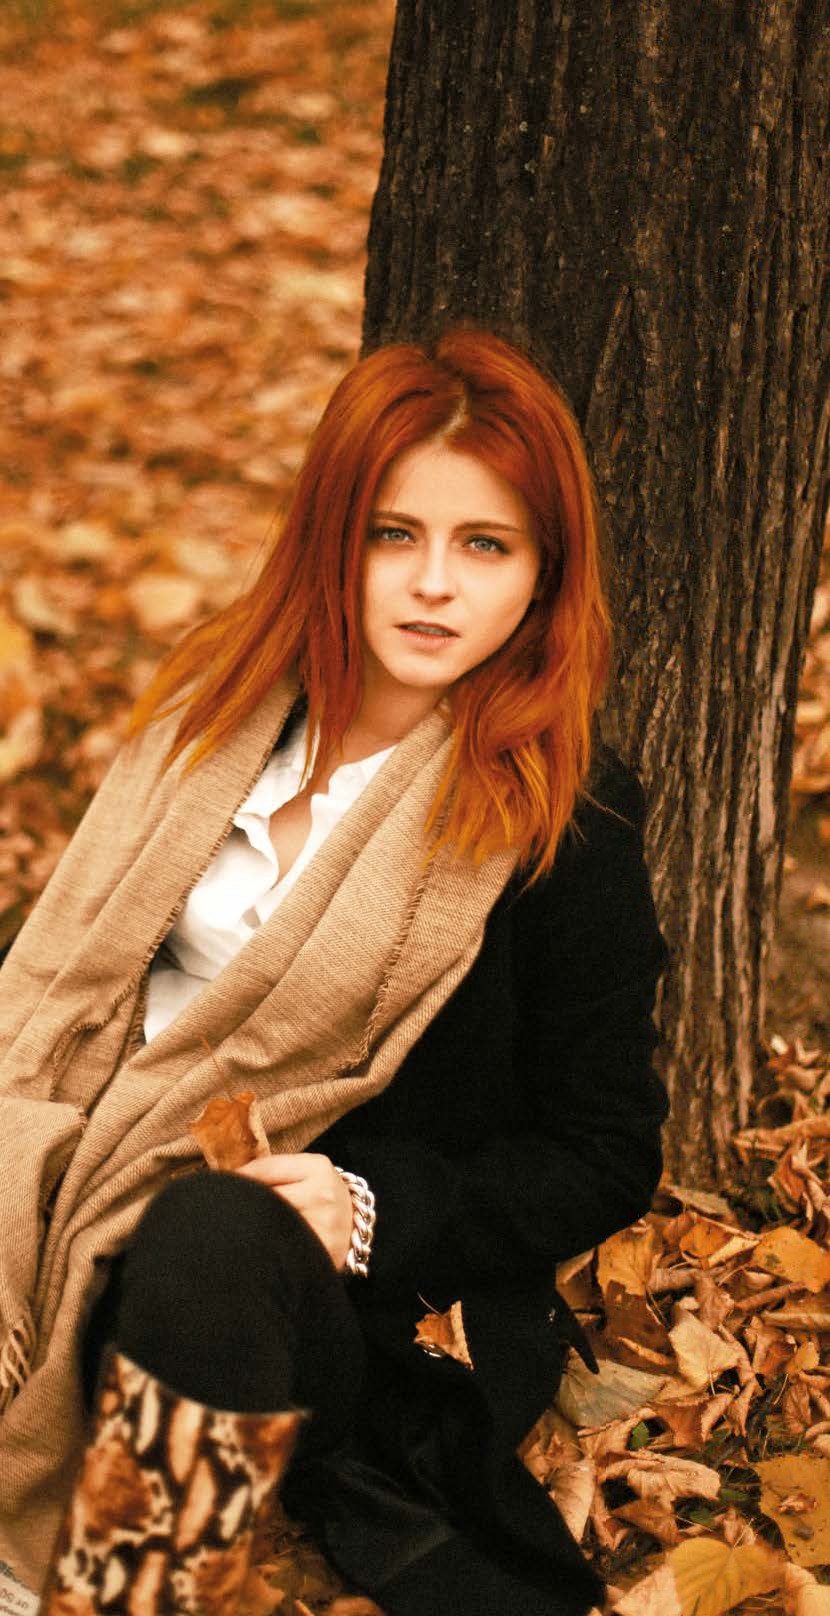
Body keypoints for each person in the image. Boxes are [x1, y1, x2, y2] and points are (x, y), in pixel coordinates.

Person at [0, 327, 668, 1616]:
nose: (435, 585)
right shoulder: (214, 718)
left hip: (318, 1296)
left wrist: (372, 1207)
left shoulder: (563, 818)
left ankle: (127, 1589)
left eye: (487, 545)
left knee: (206, 1235)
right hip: (70, 1183)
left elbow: (603, 1149)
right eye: (392, 534)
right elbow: (63, 985)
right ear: (331, 538)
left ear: (544, 573)